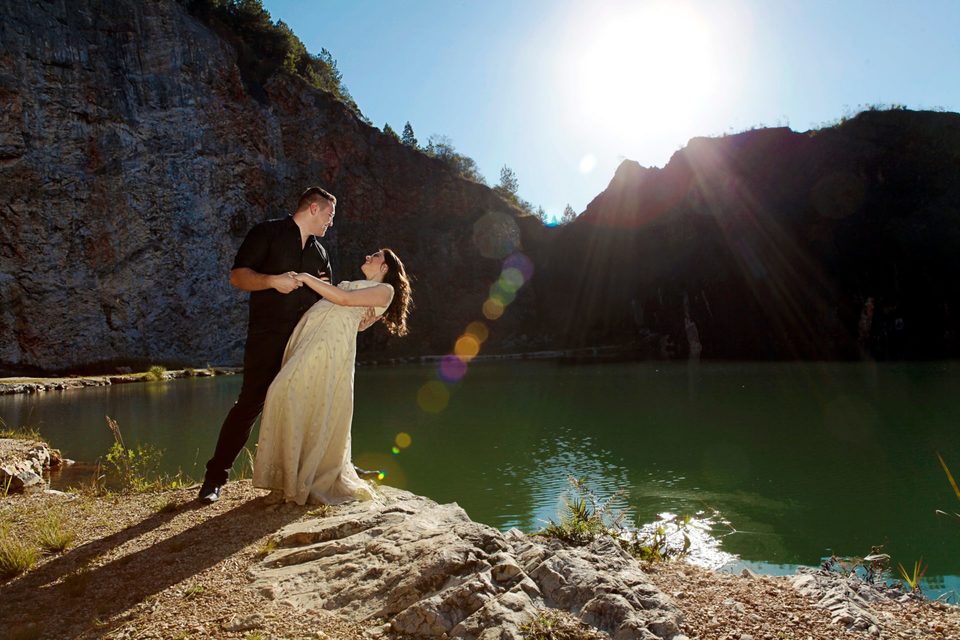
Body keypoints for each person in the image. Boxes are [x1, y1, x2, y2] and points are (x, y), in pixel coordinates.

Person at [197, 187, 336, 504]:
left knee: (308, 409)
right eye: (329, 215)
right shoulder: (267, 232)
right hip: (266, 338)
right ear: (313, 208)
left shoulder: (322, 254)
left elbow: (328, 295)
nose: (331, 222)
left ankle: (304, 478)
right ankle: (214, 479)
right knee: (249, 406)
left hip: (306, 343)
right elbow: (238, 276)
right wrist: (273, 281)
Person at [253, 249, 412, 505]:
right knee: (299, 400)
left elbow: (345, 300)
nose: (369, 256)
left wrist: (305, 277)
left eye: (376, 256)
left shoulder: (386, 290)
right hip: (313, 341)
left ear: (386, 268)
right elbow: (355, 313)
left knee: (283, 392)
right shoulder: (366, 287)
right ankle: (289, 480)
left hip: (328, 347)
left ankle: (304, 478)